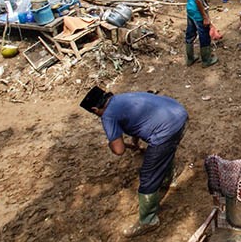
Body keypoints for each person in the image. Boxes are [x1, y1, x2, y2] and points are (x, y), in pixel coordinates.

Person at [79, 86, 188, 238]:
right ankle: (168, 180)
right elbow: (136, 122)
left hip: (167, 128)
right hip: (179, 113)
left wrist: (111, 143)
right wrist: (135, 143)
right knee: (163, 153)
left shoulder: (108, 116)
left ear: (95, 109)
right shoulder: (122, 98)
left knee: (148, 175)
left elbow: (119, 150)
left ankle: (148, 220)